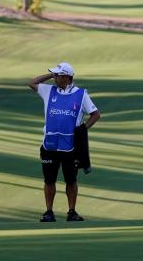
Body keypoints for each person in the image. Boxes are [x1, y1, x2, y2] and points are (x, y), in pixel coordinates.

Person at [28, 61, 101, 223]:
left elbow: (95, 114)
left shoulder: (81, 94)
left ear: (67, 77)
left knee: (71, 180)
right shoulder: (48, 91)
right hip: (50, 145)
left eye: (58, 75)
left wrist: (82, 130)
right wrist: (51, 74)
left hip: (70, 147)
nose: (55, 78)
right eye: (54, 75)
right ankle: (48, 212)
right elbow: (31, 82)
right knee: (49, 180)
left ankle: (72, 212)